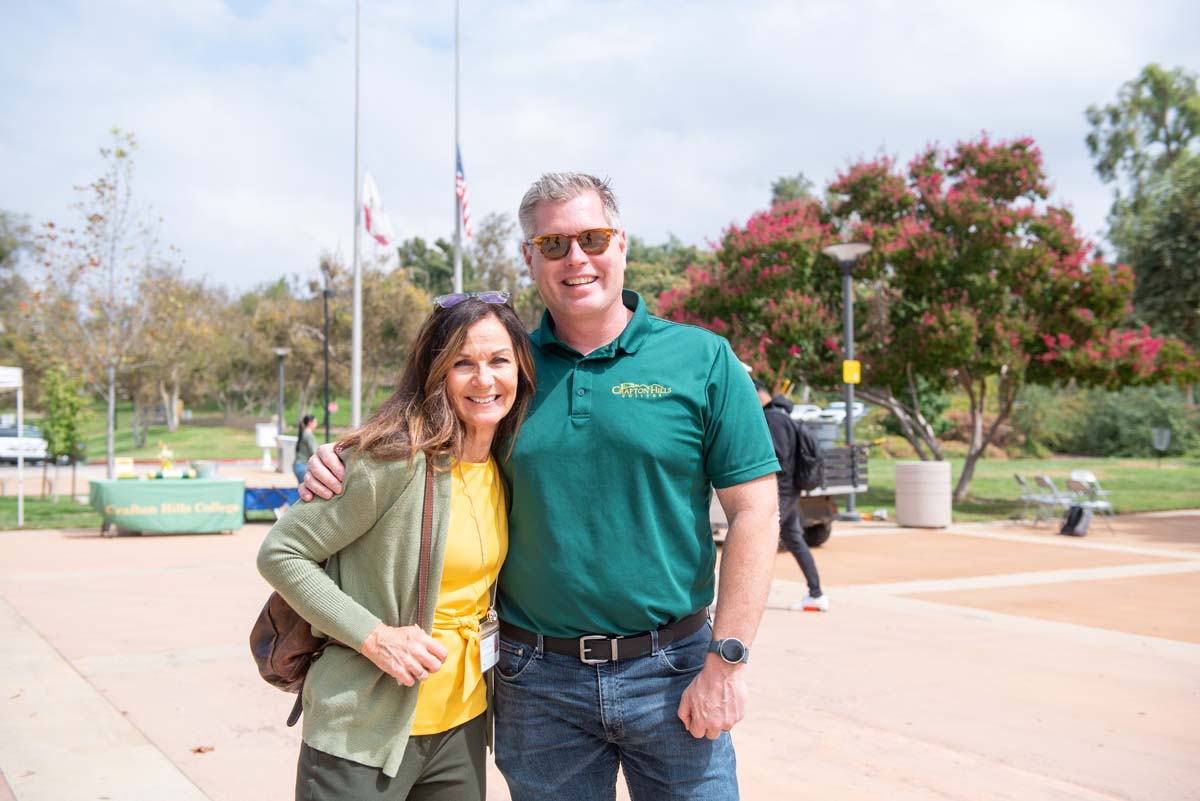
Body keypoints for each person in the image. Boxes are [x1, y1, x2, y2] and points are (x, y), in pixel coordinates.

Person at [302, 172, 780, 801]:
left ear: (622, 244)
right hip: (537, 683)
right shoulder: (502, 369)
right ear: (529, 258)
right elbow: (415, 430)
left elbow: (755, 514)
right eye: (553, 244)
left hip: (675, 671)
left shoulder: (703, 360)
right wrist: (335, 457)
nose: (575, 258)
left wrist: (729, 660)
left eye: (592, 237)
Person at [257, 294, 536, 800]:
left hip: (463, 723)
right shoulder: (394, 460)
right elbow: (281, 552)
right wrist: (375, 636)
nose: (484, 379)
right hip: (364, 728)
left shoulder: (501, 466)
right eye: (462, 363)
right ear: (435, 373)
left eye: (499, 361)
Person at [754, 380, 828, 612]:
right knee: (795, 540)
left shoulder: (773, 419)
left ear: (757, 394)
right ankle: (816, 593)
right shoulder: (780, 414)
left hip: (781, 489)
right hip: (789, 489)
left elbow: (778, 456)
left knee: (756, 540)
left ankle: (747, 598)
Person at [293, 414, 318, 485]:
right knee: (307, 493)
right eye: (315, 422)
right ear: (310, 423)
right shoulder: (309, 435)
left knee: (302, 491)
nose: (316, 424)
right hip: (303, 466)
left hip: (298, 466)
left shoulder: (303, 434)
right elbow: (314, 453)